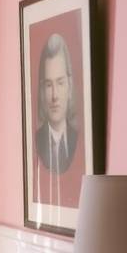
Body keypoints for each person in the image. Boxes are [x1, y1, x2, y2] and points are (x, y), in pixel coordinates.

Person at [35, 33, 78, 177]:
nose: (54, 96)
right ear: (41, 91)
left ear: (69, 86)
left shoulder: (78, 139)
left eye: (60, 83)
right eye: (48, 85)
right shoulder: (37, 142)